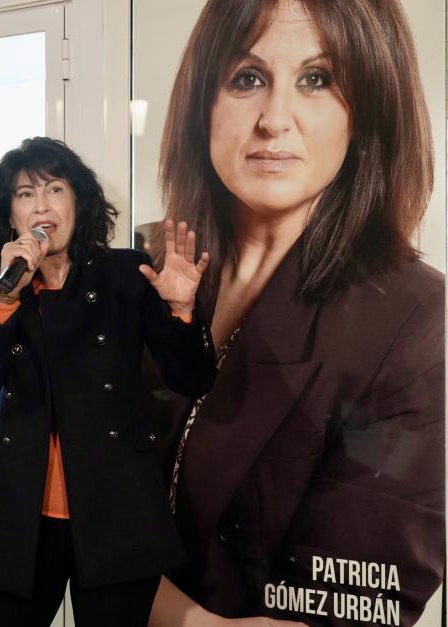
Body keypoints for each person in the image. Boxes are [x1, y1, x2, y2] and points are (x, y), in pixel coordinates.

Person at [147, 0, 445, 625]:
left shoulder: (414, 321)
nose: (274, 120)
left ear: (368, 111)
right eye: (247, 78)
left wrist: (128, 599)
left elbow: (342, 614)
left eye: (317, 79)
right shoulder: (145, 273)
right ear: (205, 101)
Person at [0, 136, 217, 627]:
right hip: (22, 512)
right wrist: (6, 295)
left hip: (115, 508)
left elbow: (192, 378)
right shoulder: (2, 282)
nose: (42, 205)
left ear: (78, 202)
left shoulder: (123, 274)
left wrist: (182, 312)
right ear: (11, 215)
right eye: (25, 194)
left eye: (55, 189)